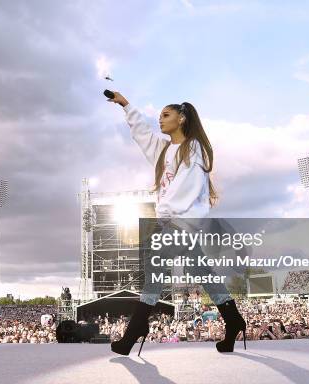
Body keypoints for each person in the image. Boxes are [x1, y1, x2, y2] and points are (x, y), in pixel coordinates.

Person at [106, 91, 247, 356]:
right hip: (175, 222)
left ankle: (136, 328)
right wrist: (126, 106)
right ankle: (233, 319)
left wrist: (167, 218)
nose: (160, 120)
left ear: (181, 119)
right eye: (159, 116)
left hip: (182, 222)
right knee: (201, 272)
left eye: (166, 115)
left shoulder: (193, 148)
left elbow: (187, 188)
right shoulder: (165, 150)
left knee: (156, 263)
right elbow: (143, 136)